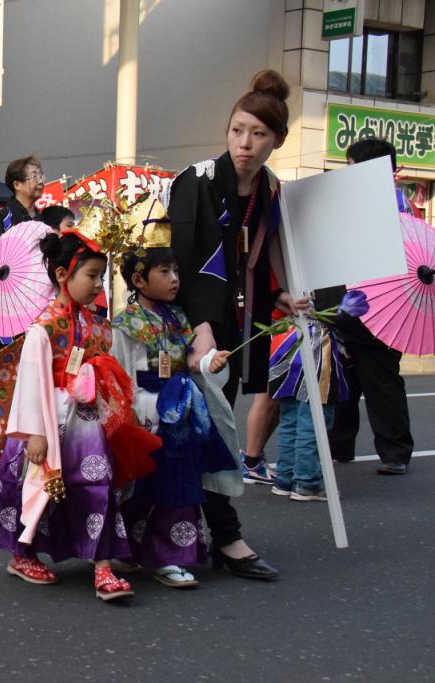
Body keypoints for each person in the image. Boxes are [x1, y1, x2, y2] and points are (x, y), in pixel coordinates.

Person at [165, 69, 310, 580]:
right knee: (204, 427)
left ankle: (172, 536)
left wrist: (283, 293)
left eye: (258, 135)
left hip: (236, 319)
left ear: (277, 141)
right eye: (237, 131)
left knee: (193, 431)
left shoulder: (270, 187)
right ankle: (226, 539)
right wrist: (198, 325)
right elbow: (183, 259)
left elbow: (266, 250)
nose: (245, 144)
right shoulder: (198, 180)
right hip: (179, 324)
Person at [0, 228, 159, 602]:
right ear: (63, 276)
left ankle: (103, 564)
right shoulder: (43, 327)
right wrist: (35, 434)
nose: (97, 285)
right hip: (49, 418)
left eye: (99, 277)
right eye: (91, 276)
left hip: (87, 420)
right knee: (34, 487)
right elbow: (29, 383)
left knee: (98, 485)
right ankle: (22, 553)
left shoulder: (94, 322)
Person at [112, 239, 238, 588]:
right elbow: (121, 374)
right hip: (149, 409)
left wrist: (212, 362)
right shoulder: (126, 324)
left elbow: (193, 361)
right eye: (164, 271)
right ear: (139, 281)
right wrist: (136, 412)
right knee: (143, 485)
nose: (174, 279)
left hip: (181, 410)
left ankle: (167, 555)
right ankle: (135, 548)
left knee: (179, 482)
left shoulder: (179, 317)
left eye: (176, 271)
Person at [325, 138, 415, 476]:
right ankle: (341, 445)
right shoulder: (365, 201)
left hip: (381, 306)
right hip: (352, 302)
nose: (346, 172)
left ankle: (395, 451)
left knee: (380, 381)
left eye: (350, 166)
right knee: (344, 381)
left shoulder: (391, 205)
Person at [268, 304, 348, 501]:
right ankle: (307, 481)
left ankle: (285, 478)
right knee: (313, 421)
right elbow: (337, 310)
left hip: (286, 336)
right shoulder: (325, 277)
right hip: (316, 342)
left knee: (291, 418)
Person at [0, 156, 45, 351]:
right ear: (17, 184)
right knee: (6, 371)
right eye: (34, 176)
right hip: (8, 310)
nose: (41, 180)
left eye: (40, 175)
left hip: (41, 307)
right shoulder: (3, 219)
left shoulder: (45, 220)